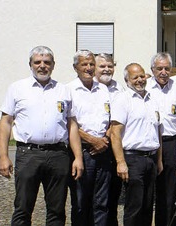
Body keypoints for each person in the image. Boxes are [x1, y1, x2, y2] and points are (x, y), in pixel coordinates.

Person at [0, 46, 84, 225]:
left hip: (58, 155)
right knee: (22, 208)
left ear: (53, 65)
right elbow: (5, 123)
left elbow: (72, 125)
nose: (42, 66)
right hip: (28, 155)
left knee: (57, 210)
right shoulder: (17, 88)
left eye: (47, 62)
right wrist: (3, 156)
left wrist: (78, 157)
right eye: (37, 62)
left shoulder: (63, 90)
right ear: (30, 64)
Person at [110, 63, 163, 226]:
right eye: (135, 77)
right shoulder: (122, 99)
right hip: (133, 160)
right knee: (135, 206)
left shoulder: (152, 98)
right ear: (127, 80)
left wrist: (159, 160)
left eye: (142, 76)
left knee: (148, 206)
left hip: (151, 159)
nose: (140, 80)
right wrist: (120, 162)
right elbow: (115, 133)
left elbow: (158, 132)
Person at [67, 50, 113, 226]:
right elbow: (68, 124)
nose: (88, 68)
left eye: (91, 64)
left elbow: (111, 120)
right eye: (84, 64)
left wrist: (104, 140)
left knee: (102, 202)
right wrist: (93, 140)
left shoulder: (103, 89)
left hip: (104, 150)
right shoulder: (69, 89)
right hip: (82, 152)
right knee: (80, 202)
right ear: (75, 67)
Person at [147, 52, 176, 226]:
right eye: (159, 68)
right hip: (149, 144)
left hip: (171, 143)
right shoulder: (145, 87)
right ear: (152, 69)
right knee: (148, 191)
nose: (163, 72)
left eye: (167, 68)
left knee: (170, 191)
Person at [94, 52, 124, 225]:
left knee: (112, 196)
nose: (107, 69)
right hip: (90, 148)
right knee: (91, 198)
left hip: (112, 148)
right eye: (102, 66)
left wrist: (107, 136)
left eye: (110, 66)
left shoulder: (119, 88)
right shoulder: (87, 87)